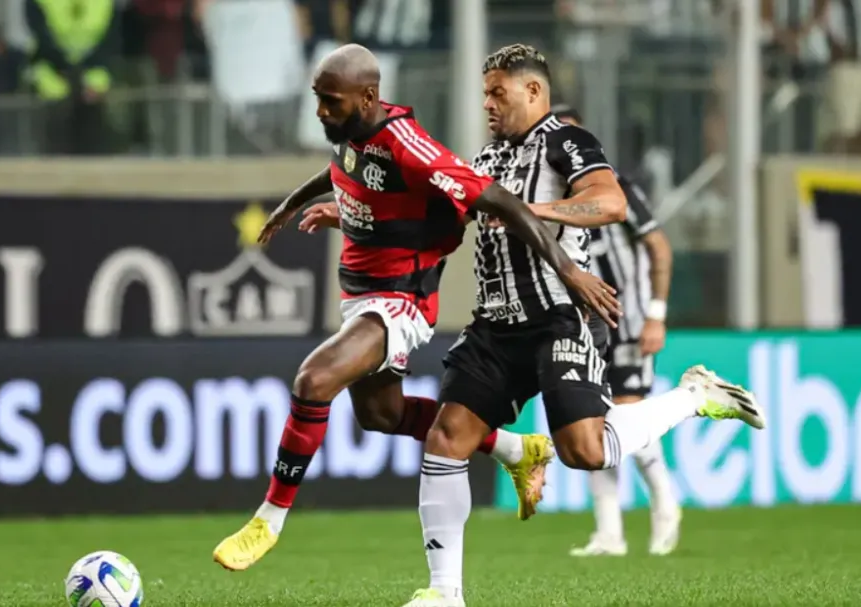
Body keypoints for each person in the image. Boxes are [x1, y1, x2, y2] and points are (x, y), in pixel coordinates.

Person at [211, 43, 622, 573]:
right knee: (382, 415)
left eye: (329, 102)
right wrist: (297, 205)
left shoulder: (413, 147)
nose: (320, 112)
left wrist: (569, 270)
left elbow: (496, 201)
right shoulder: (353, 133)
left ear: (367, 97)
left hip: (401, 301)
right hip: (361, 295)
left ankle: (269, 519)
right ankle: (517, 451)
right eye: (318, 100)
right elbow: (340, 167)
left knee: (314, 381)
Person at [391, 44, 764, 607]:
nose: (488, 103)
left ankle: (693, 396)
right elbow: (443, 214)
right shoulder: (486, 158)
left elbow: (609, 203)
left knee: (586, 451)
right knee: (447, 439)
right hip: (495, 326)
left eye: (499, 92)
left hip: (562, 317)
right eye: (485, 93)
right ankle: (446, 594)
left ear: (533, 91)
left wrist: (531, 211)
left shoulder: (568, 141)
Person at [550, 105, 682, 557]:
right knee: (595, 422)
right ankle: (610, 533)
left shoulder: (617, 188)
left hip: (629, 322)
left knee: (625, 414)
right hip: (586, 323)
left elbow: (659, 248)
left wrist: (656, 315)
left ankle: (665, 501)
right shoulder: (551, 198)